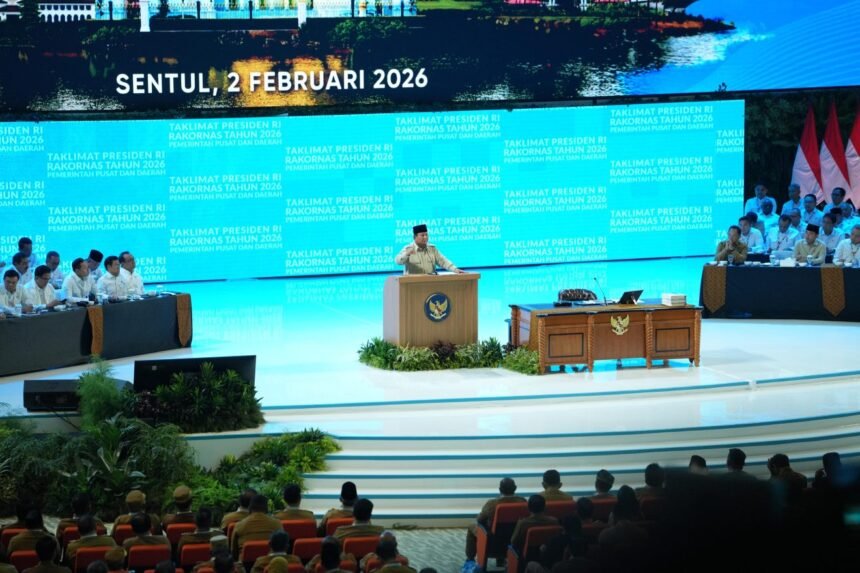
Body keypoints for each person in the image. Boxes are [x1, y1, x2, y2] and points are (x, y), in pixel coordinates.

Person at [464, 478, 526, 565]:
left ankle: (470, 559)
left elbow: (480, 520)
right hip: (514, 540)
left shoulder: (492, 503)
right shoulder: (523, 502)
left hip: (493, 541)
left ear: (500, 489)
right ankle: (500, 561)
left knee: (472, 526)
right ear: (515, 488)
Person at [394, 224, 463, 275]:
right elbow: (398, 261)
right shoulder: (408, 248)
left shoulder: (432, 249)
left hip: (430, 282)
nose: (425, 237)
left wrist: (455, 269)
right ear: (415, 237)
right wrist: (406, 254)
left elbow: (443, 261)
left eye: (426, 235)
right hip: (413, 283)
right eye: (422, 235)